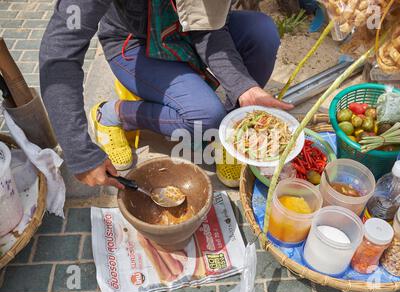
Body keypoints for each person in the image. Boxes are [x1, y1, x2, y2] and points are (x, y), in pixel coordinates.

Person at [39, 0, 293, 189]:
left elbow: (207, 29)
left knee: (262, 33)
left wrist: (244, 87)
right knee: (206, 117)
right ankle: (112, 113)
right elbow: (59, 55)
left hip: (187, 31)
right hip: (134, 43)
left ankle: (228, 136)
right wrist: (80, 153)